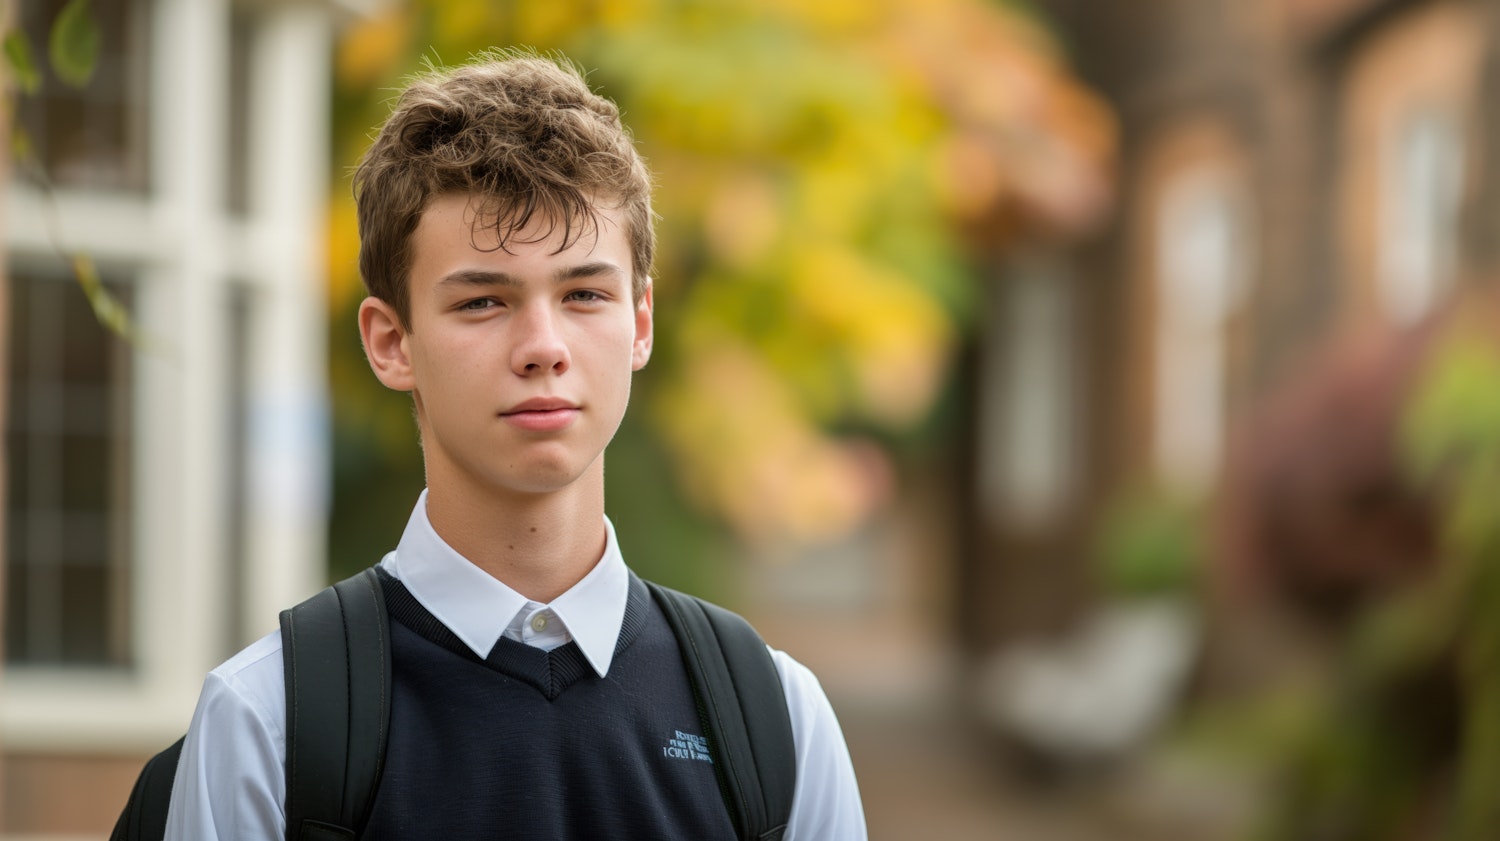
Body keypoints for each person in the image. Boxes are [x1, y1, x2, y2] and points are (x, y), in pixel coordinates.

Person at [162, 49, 867, 840]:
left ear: (640, 323)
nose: (543, 345)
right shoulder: (270, 721)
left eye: (584, 294)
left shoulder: (777, 719)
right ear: (392, 341)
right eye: (484, 301)